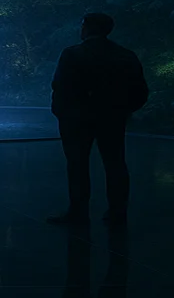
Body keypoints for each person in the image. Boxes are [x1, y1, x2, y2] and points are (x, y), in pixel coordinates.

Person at [48, 12, 148, 225]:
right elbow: (140, 90)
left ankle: (78, 211)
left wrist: (62, 112)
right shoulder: (125, 55)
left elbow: (60, 86)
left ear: (86, 28)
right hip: (112, 118)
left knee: (77, 165)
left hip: (76, 119)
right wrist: (123, 110)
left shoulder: (72, 54)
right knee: (115, 163)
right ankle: (118, 211)